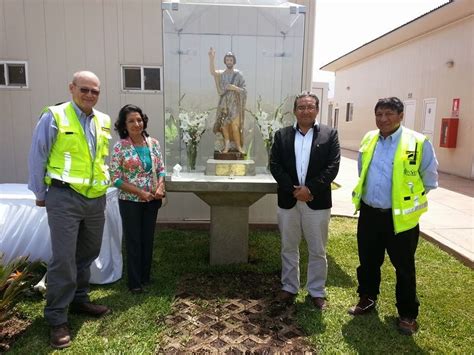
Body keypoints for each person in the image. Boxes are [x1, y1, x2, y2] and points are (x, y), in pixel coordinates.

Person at [28, 70, 112, 349]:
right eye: (84, 89)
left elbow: (99, 159)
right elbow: (38, 154)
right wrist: (40, 193)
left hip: (95, 199)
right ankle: (56, 318)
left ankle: (79, 300)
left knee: (88, 252)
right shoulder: (55, 116)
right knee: (64, 258)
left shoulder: (103, 120)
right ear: (72, 88)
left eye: (95, 91)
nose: (90, 95)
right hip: (64, 196)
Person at [349, 97, 438, 335]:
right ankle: (367, 298)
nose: (383, 119)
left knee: (404, 267)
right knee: (368, 261)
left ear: (401, 115)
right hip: (369, 214)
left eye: (389, 114)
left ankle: (407, 314)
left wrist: (403, 200)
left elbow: (428, 180)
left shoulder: (418, 142)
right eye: (379, 114)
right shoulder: (369, 139)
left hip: (400, 219)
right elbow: (362, 170)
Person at [270, 91, 340, 310]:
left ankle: (316, 291)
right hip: (289, 200)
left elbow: (332, 167)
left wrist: (309, 189)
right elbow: (275, 165)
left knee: (317, 249)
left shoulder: (329, 134)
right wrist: (293, 190)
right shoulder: (282, 136)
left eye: (310, 107)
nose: (306, 111)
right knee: (288, 247)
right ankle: (289, 287)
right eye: (301, 107)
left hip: (316, 201)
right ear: (294, 111)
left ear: (317, 110)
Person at [110, 104, 166, 294]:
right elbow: (115, 178)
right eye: (131, 121)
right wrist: (139, 192)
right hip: (130, 201)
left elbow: (161, 169)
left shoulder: (153, 143)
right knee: (133, 239)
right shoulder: (120, 147)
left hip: (152, 200)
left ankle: (145, 276)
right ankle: (134, 281)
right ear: (124, 125)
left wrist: (160, 186)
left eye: (139, 120)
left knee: (147, 238)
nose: (136, 124)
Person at [208, 47, 247, 154]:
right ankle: (227, 146)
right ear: (225, 61)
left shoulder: (239, 74)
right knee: (224, 125)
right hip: (224, 103)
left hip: (235, 104)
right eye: (227, 60)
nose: (229, 62)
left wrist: (234, 88)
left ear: (234, 61)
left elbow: (244, 90)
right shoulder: (222, 73)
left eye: (231, 60)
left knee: (235, 126)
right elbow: (213, 72)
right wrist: (211, 58)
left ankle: (239, 147)